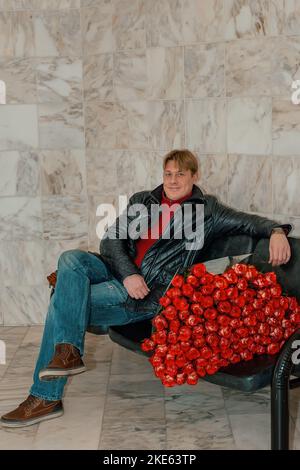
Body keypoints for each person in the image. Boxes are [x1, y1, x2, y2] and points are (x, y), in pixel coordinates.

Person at [1, 149, 292, 427]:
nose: (173, 180)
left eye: (180, 174)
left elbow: (251, 222)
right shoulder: (144, 201)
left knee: (61, 301)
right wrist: (128, 273)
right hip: (120, 275)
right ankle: (68, 353)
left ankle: (45, 397)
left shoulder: (207, 211)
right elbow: (111, 241)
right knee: (71, 259)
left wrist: (277, 231)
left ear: (194, 176)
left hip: (145, 295)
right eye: (168, 174)